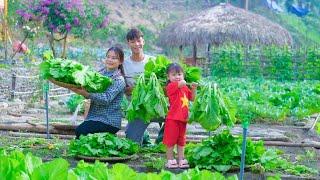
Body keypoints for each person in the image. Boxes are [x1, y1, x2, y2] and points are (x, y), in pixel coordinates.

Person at [50, 46, 126, 139]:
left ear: (121, 61)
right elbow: (90, 92)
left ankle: (105, 142)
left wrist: (86, 94)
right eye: (108, 57)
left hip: (109, 120)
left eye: (114, 58)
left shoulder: (119, 80)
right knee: (81, 134)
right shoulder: (99, 74)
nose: (110, 60)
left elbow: (106, 99)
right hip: (94, 117)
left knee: (81, 131)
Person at [123, 28, 159, 145]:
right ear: (128, 43)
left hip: (154, 107)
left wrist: (135, 89)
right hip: (136, 108)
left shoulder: (153, 61)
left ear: (143, 42)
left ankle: (161, 139)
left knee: (175, 118)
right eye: (132, 41)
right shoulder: (124, 64)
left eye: (139, 41)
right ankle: (144, 136)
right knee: (131, 139)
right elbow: (124, 89)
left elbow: (160, 86)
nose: (136, 44)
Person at [163, 63, 197, 169]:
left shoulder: (185, 88)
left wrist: (194, 88)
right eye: (173, 75)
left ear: (183, 75)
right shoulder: (170, 86)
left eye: (179, 74)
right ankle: (170, 160)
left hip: (183, 119)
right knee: (170, 140)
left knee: (181, 140)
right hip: (172, 119)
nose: (177, 77)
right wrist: (183, 82)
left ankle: (181, 159)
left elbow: (192, 98)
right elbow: (180, 84)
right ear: (168, 77)